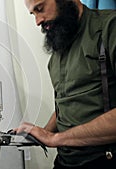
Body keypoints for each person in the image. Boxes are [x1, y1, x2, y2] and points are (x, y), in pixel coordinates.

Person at [11, 0, 116, 168]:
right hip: (65, 161)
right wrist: (42, 132)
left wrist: (54, 139)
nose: (38, 21)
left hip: (104, 159)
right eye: (33, 14)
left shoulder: (109, 27)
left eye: (40, 9)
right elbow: (66, 106)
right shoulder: (57, 54)